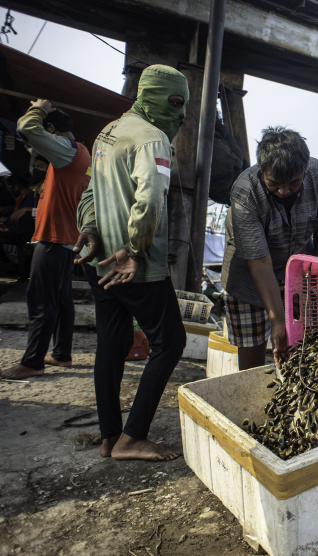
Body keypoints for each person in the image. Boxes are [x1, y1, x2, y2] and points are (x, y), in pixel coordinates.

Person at [74, 64, 189, 461]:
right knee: (171, 343)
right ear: (152, 95)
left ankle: (109, 436)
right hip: (132, 266)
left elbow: (90, 190)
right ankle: (132, 437)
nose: (181, 115)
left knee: (112, 342)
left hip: (99, 260)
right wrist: (137, 250)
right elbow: (152, 196)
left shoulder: (108, 132)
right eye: (175, 103)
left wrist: (89, 227)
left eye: (184, 106)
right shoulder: (151, 138)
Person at [221, 127, 318, 370]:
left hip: (297, 269)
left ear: (305, 170)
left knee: (305, 347)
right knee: (253, 355)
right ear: (261, 169)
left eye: (294, 182)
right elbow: (260, 262)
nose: (285, 191)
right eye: (274, 184)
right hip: (249, 276)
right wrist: (277, 322)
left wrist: (314, 276)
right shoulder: (245, 192)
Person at [0, 101, 90, 381]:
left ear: (50, 129)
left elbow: (26, 126)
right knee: (61, 299)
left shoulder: (64, 150)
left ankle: (32, 361)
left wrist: (38, 108)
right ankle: (61, 353)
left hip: (53, 237)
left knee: (40, 300)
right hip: (65, 237)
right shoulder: (81, 151)